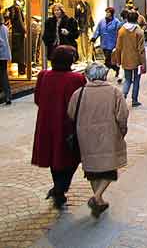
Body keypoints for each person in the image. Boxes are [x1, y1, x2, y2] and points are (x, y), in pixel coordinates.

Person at [68, 63, 128, 218]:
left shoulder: (79, 93)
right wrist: (122, 130)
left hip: (86, 136)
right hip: (108, 135)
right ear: (104, 75)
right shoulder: (114, 92)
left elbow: (71, 113)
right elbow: (122, 115)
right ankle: (96, 198)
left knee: (93, 170)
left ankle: (99, 200)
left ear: (88, 76)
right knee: (109, 169)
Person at [31, 46, 86, 209]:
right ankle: (60, 188)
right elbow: (82, 103)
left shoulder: (43, 76)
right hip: (68, 124)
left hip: (47, 122)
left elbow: (37, 99)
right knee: (73, 156)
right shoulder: (76, 78)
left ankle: (59, 189)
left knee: (54, 157)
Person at [112, 11, 146, 107]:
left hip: (125, 58)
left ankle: (123, 97)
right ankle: (134, 100)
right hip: (137, 60)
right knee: (136, 80)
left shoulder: (122, 30)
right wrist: (143, 63)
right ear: (136, 19)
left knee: (127, 79)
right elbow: (141, 50)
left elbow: (118, 47)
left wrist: (118, 60)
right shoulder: (139, 31)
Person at [91, 7, 122, 82]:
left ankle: (103, 75)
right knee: (109, 60)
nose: (107, 14)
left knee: (107, 60)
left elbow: (119, 33)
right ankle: (116, 68)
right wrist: (94, 38)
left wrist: (119, 43)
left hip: (112, 44)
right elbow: (98, 30)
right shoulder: (102, 21)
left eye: (108, 12)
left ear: (112, 13)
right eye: (106, 12)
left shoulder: (116, 22)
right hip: (104, 43)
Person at [0, 14, 12, 105]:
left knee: (3, 73)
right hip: (4, 53)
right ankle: (7, 95)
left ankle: (5, 94)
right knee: (3, 73)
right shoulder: (4, 27)